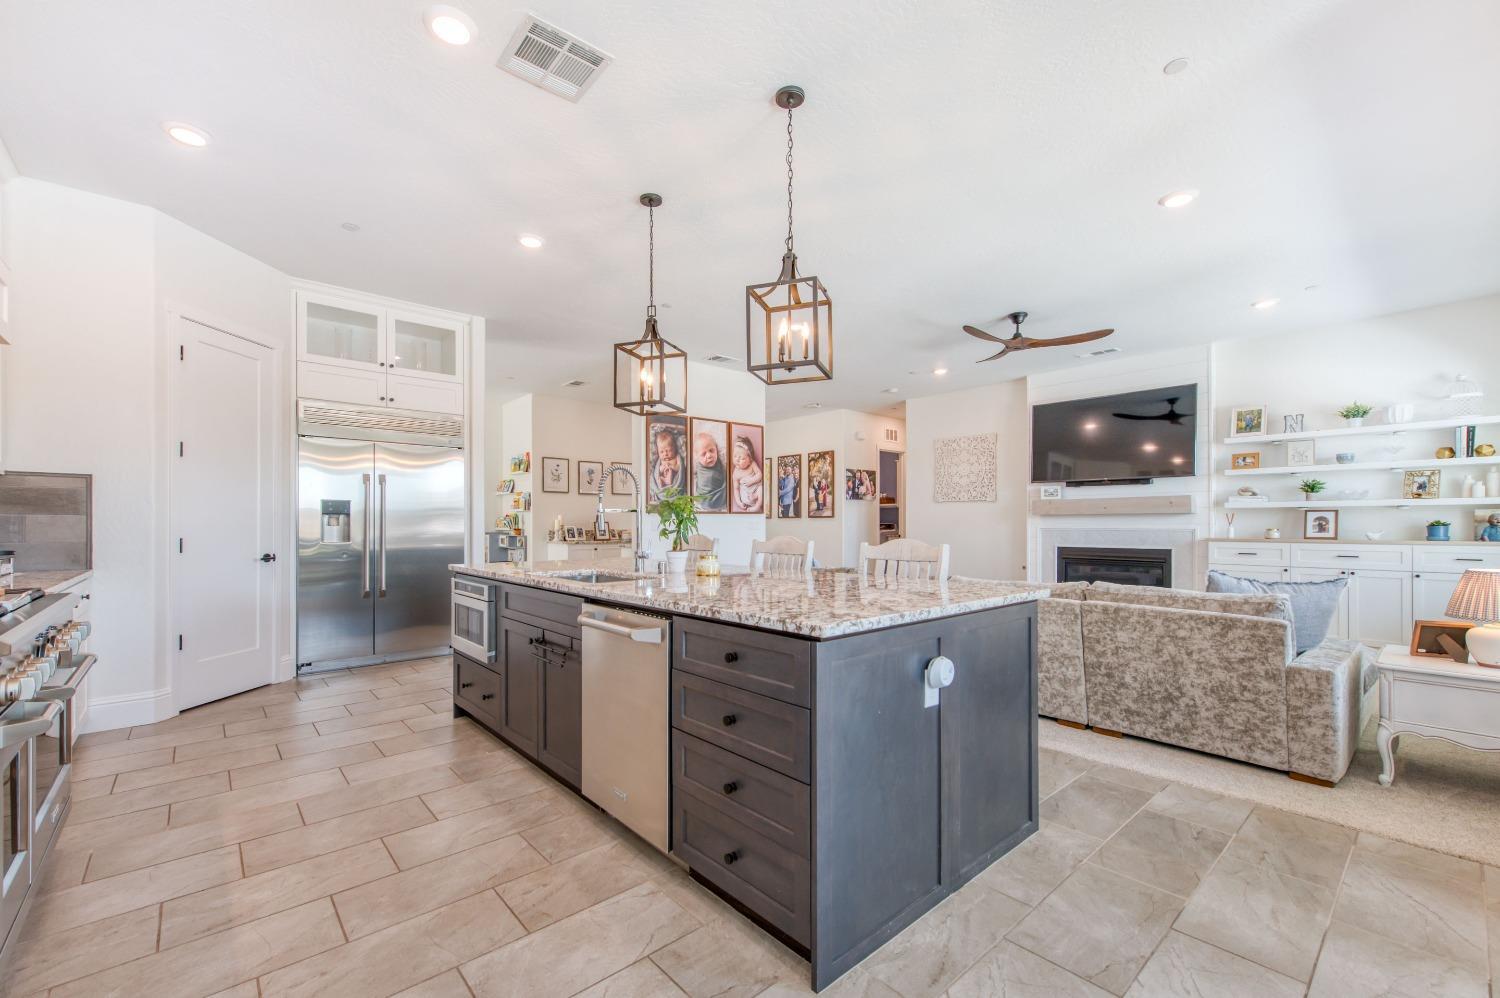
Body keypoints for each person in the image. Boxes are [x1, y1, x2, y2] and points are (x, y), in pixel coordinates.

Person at [693, 431, 727, 511]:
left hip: (720, 498)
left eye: (711, 450)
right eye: (703, 454)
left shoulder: (720, 461)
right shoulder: (697, 465)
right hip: (704, 502)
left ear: (716, 450)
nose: (709, 456)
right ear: (697, 457)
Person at [650, 425, 685, 502]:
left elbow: (680, 468)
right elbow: (657, 471)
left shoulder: (676, 458)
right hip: (663, 483)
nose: (665, 454)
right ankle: (662, 489)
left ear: (674, 448)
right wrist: (661, 469)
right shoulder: (660, 460)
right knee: (659, 479)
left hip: (675, 484)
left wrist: (673, 467)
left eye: (668, 450)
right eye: (661, 452)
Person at [731, 435, 763, 512]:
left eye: (742, 458)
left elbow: (759, 474)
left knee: (761, 489)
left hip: (756, 491)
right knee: (743, 494)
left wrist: (752, 481)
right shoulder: (735, 473)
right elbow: (736, 489)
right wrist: (739, 502)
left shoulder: (752, 464)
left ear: (750, 460)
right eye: (735, 456)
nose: (737, 460)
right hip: (746, 496)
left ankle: (757, 506)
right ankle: (752, 502)